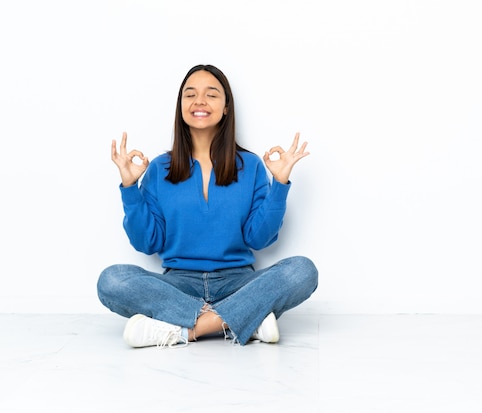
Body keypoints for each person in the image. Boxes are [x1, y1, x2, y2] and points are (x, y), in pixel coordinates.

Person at [97, 64, 318, 348]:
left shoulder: (249, 166)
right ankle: (244, 319)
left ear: (226, 107)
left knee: (302, 270)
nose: (199, 101)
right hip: (179, 285)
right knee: (112, 280)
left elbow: (259, 239)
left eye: (211, 94)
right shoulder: (158, 168)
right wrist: (129, 189)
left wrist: (279, 185)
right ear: (181, 106)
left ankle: (183, 330)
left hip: (238, 283)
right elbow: (147, 243)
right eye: (190, 95)